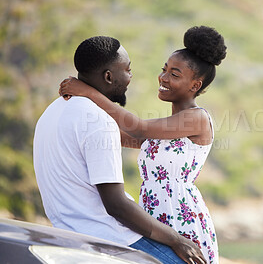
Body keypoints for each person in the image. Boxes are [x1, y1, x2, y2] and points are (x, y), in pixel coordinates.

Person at [59, 26, 227, 264]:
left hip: (181, 221)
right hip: (155, 218)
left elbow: (137, 127)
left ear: (195, 86)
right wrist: (73, 116)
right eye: (164, 70)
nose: (163, 78)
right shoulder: (167, 127)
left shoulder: (196, 118)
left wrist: (88, 92)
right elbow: (117, 135)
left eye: (175, 74)